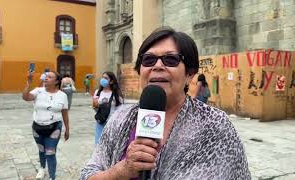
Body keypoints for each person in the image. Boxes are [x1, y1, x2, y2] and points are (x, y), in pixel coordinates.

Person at [80, 27, 250, 180]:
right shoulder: (121, 118)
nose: (158, 65)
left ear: (190, 74)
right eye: (148, 60)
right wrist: (121, 170)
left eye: (170, 59)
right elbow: (88, 175)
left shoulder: (215, 125)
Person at [22, 70, 70, 180]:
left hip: (54, 127)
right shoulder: (38, 91)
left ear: (57, 81)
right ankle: (42, 168)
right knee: (41, 150)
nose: (46, 78)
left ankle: (52, 177)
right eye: (46, 76)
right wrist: (29, 82)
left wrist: (67, 129)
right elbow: (25, 97)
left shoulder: (62, 95)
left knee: (50, 152)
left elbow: (65, 113)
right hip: (37, 127)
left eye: (50, 77)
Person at [92, 71, 123, 145]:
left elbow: (120, 110)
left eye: (106, 78)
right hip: (100, 123)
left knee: (110, 145)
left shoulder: (116, 94)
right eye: (102, 77)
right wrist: (95, 105)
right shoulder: (98, 92)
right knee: (99, 145)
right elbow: (96, 109)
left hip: (112, 124)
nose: (103, 79)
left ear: (111, 81)